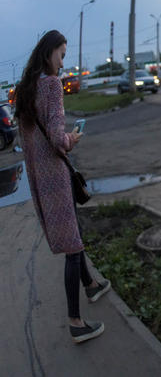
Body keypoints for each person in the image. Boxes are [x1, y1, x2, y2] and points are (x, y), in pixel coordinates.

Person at [14, 30, 111, 343]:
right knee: (72, 246)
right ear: (49, 53)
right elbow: (58, 140)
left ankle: (92, 286)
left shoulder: (24, 89)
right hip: (56, 177)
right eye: (62, 55)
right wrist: (73, 138)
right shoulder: (52, 85)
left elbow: (26, 141)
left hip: (38, 180)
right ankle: (76, 322)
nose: (63, 63)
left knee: (73, 236)